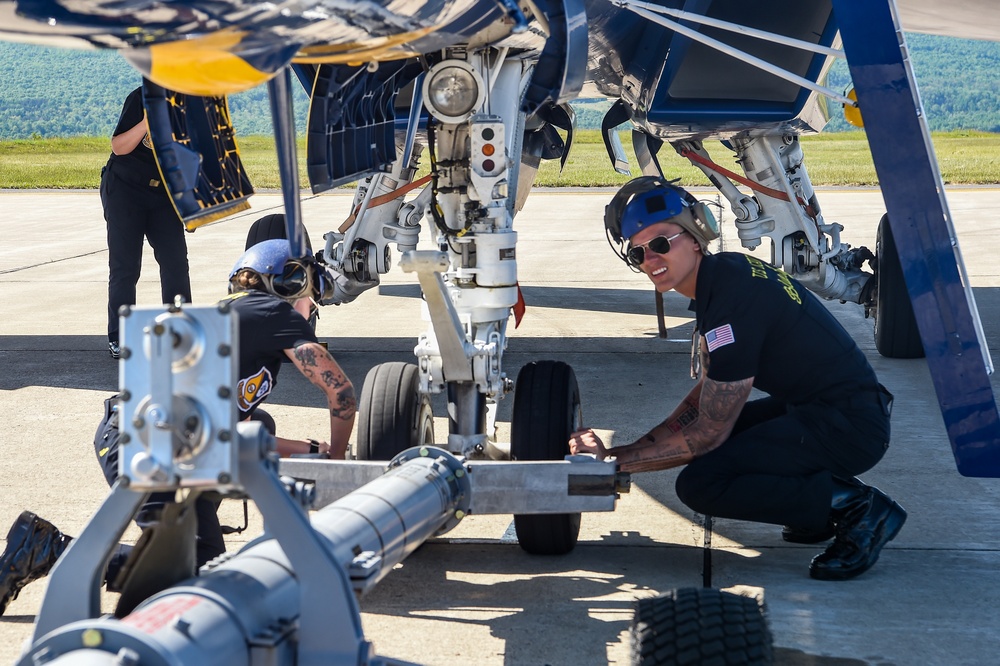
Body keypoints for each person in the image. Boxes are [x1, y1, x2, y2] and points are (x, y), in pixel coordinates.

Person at [569, 176, 906, 581]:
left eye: (660, 243)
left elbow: (706, 433)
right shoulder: (726, 276)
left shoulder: (730, 301)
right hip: (830, 409)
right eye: (638, 252)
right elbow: (704, 400)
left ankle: (857, 508)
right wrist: (622, 452)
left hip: (850, 427)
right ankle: (815, 509)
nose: (650, 259)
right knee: (727, 442)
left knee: (702, 483)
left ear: (696, 235)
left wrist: (610, 463)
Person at [0, 239, 357, 614]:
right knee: (196, 574)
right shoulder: (275, 314)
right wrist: (336, 456)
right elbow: (341, 392)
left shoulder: (232, 319)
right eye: (312, 300)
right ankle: (49, 550)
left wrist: (310, 451)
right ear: (290, 283)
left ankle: (176, 538)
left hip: (151, 438)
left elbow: (244, 429)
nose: (311, 312)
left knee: (259, 427)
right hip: (150, 443)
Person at [102, 83, 191, 360]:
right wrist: (146, 123)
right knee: (126, 266)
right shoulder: (140, 97)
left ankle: (180, 331)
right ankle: (121, 336)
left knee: (175, 261)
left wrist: (194, 206)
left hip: (163, 192)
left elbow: (197, 159)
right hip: (125, 190)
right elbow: (119, 147)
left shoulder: (195, 106)